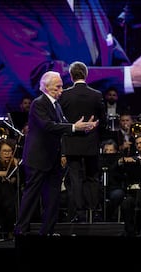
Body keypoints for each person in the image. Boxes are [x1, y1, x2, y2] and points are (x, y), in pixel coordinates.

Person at [0, 0, 141, 117]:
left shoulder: (90, 3)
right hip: (32, 145)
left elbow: (117, 76)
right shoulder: (11, 4)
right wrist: (130, 75)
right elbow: (42, 76)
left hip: (89, 139)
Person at [14, 71, 98, 236]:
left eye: (61, 86)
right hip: (37, 158)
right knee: (32, 196)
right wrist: (74, 127)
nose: (61, 90)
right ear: (46, 88)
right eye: (57, 87)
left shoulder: (57, 105)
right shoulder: (39, 103)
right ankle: (21, 230)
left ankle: (48, 231)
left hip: (52, 159)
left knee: (53, 197)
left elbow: (64, 126)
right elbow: (48, 126)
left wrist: (83, 128)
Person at [59, 61, 107, 223]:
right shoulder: (96, 95)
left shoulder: (64, 95)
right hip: (91, 143)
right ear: (86, 75)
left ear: (71, 76)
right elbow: (104, 120)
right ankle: (94, 212)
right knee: (92, 178)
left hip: (71, 143)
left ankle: (79, 214)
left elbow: (59, 121)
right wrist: (96, 125)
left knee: (75, 178)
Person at [0, 139, 19, 240]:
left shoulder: (15, 164)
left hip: (9, 196)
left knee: (7, 193)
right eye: (4, 151)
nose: (7, 154)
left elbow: (14, 179)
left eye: (9, 151)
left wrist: (15, 164)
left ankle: (9, 231)